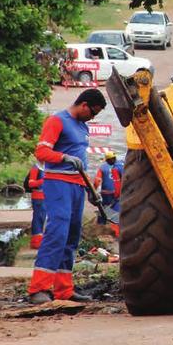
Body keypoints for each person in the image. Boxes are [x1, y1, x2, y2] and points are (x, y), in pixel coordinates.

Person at [26, 88, 106, 304]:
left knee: (71, 236)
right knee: (57, 232)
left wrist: (91, 189)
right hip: (58, 182)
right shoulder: (57, 121)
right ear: (84, 105)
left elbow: (83, 164)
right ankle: (39, 288)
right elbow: (42, 153)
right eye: (93, 113)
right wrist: (64, 157)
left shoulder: (83, 127)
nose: (93, 117)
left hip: (77, 186)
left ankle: (64, 290)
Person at [94, 151, 124, 225]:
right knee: (116, 211)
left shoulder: (103, 167)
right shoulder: (122, 165)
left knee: (103, 210)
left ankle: (101, 226)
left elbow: (97, 180)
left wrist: (93, 190)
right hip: (119, 193)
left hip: (107, 193)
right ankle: (115, 228)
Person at [23, 163, 46, 249]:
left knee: (42, 219)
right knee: (38, 218)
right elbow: (31, 184)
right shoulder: (36, 168)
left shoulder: (46, 167)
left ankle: (40, 241)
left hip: (45, 197)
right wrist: (44, 180)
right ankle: (36, 242)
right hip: (38, 197)